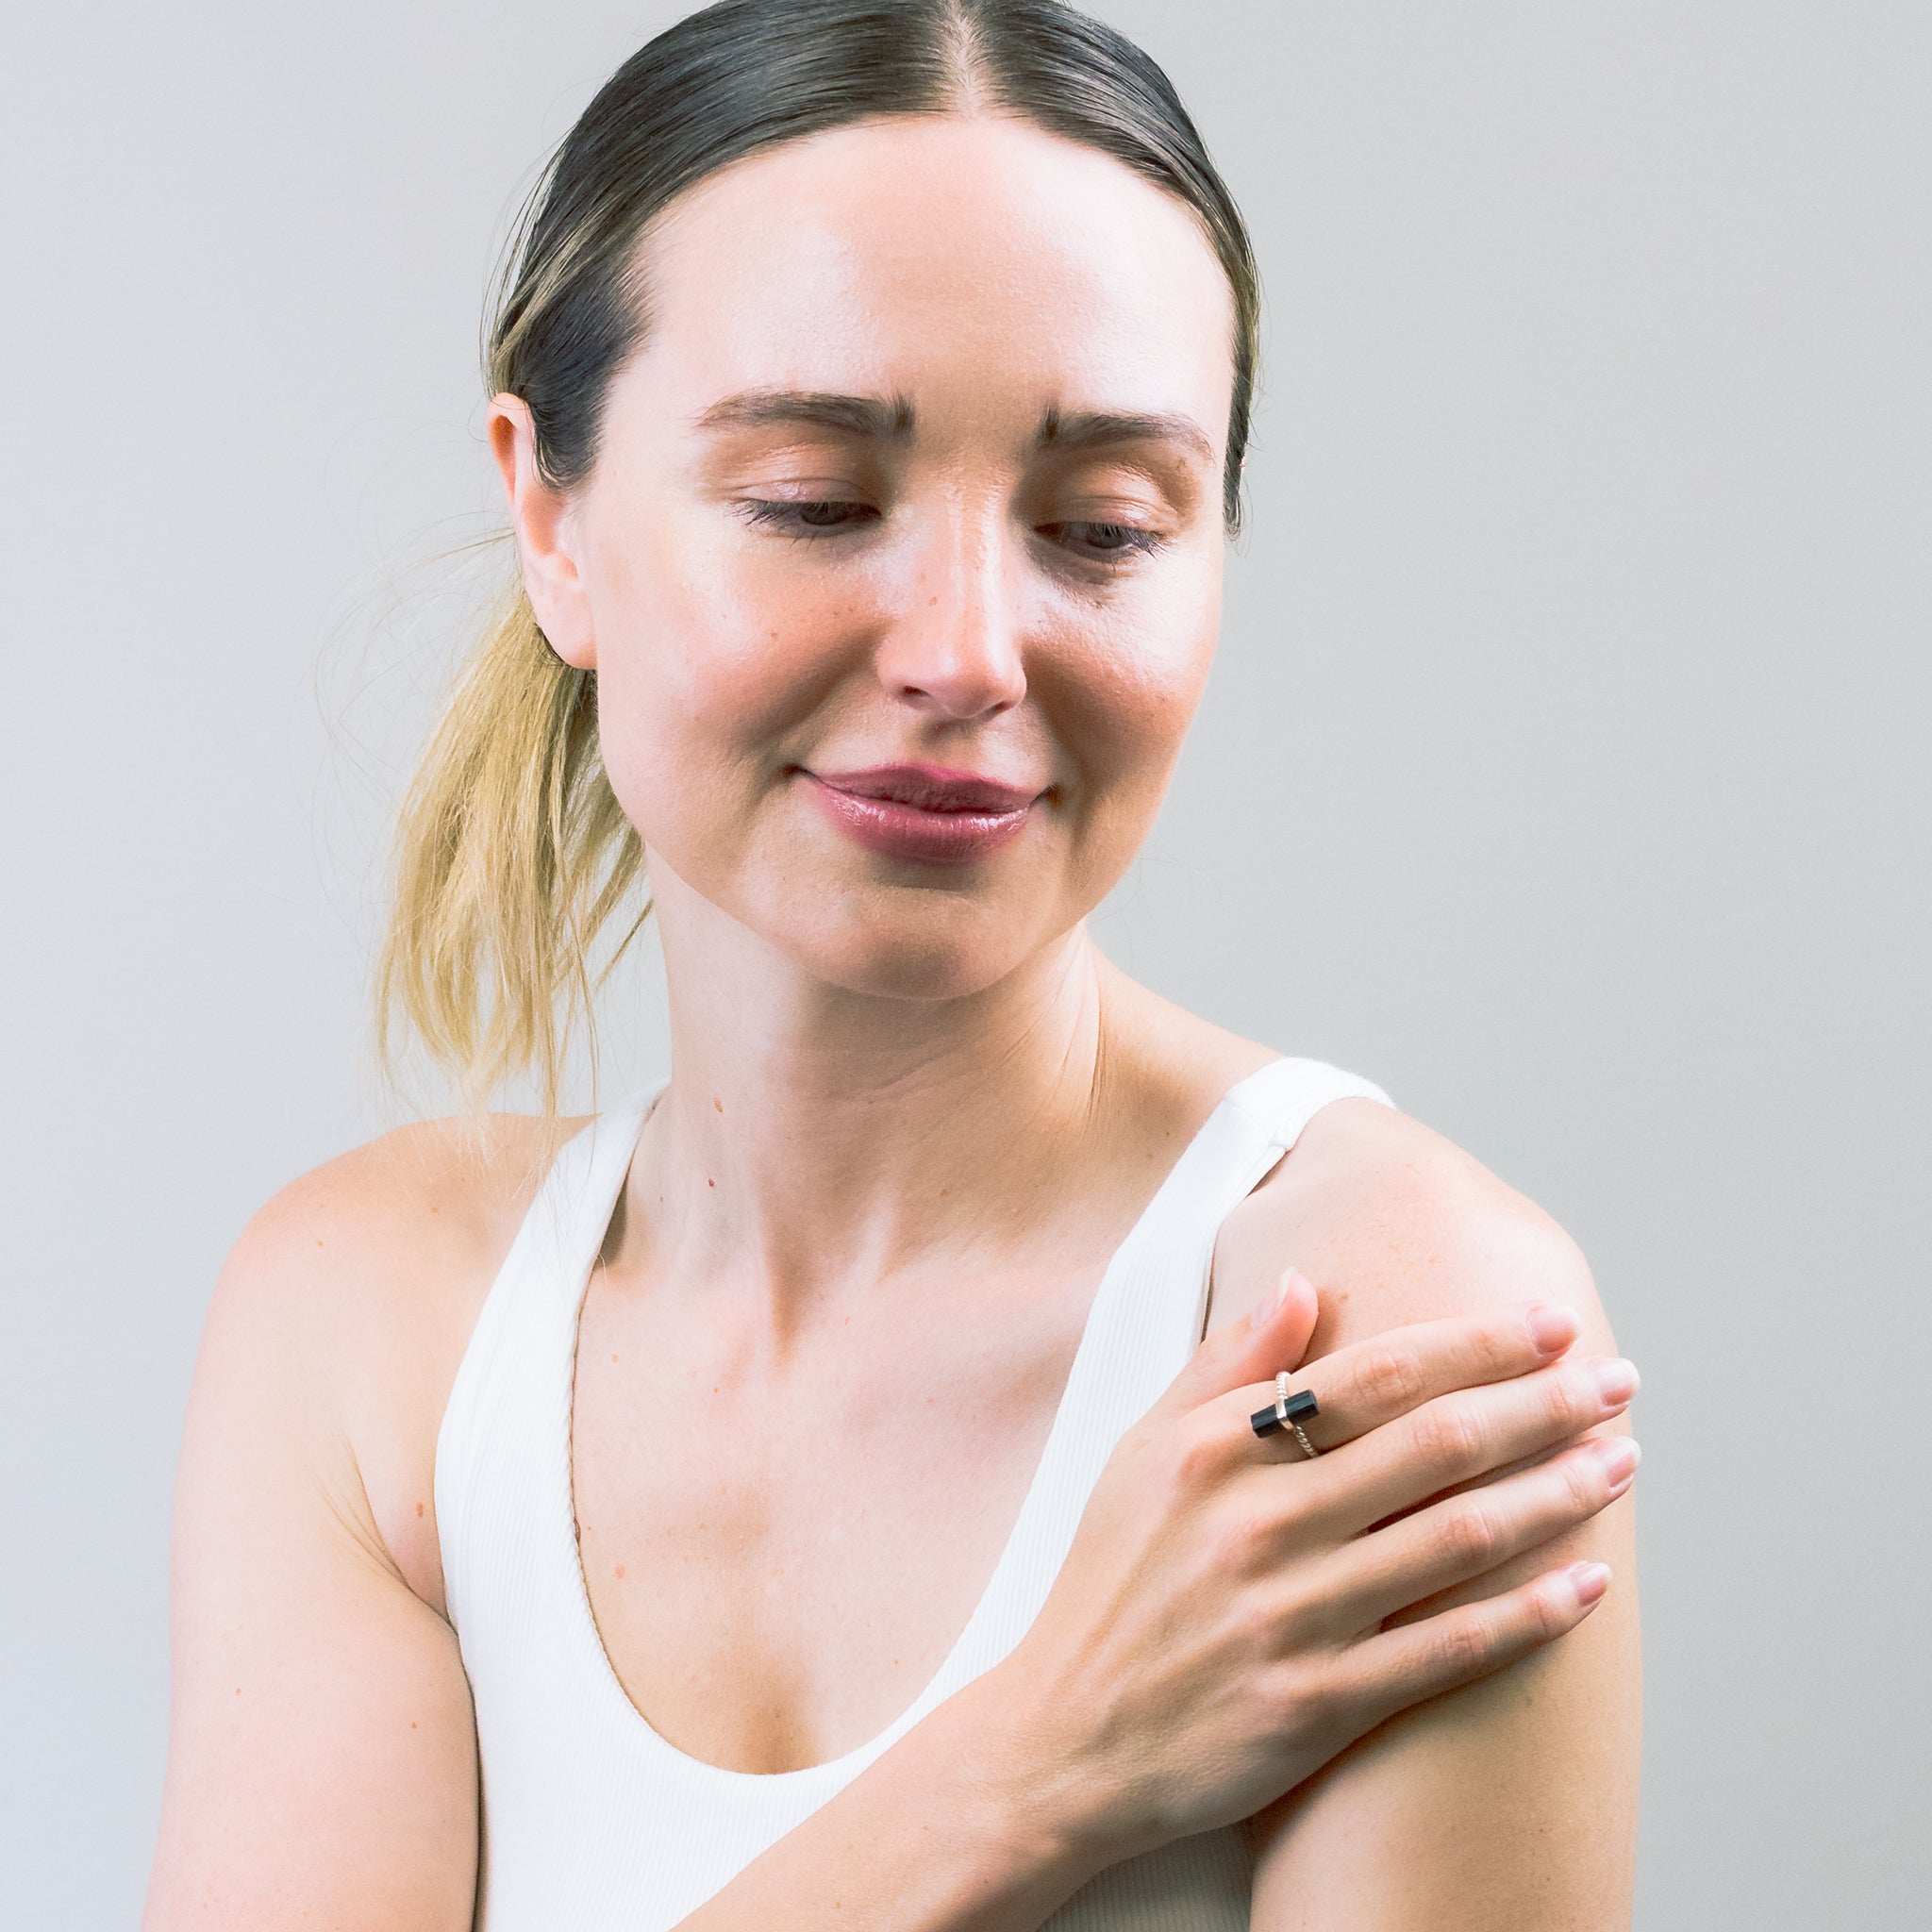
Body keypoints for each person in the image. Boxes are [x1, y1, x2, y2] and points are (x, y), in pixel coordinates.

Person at [143, 3, 1641, 1926]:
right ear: (551, 514)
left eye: (1100, 527)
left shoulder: (1375, 1324)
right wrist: (1028, 1765)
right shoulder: (368, 1326)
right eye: (812, 503)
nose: (968, 652)